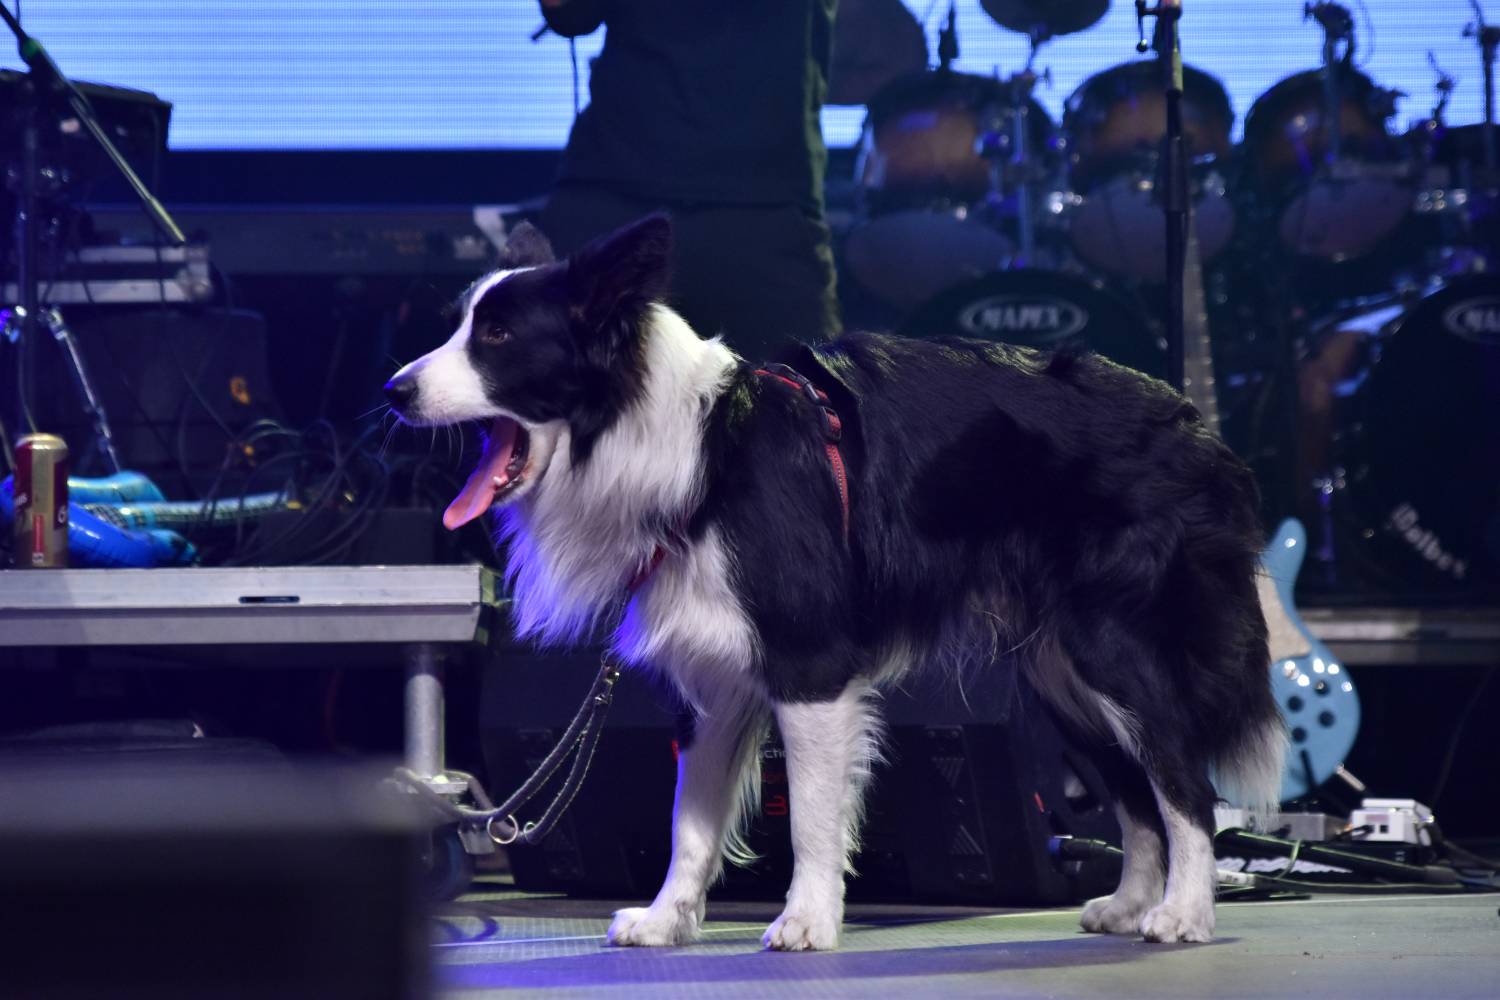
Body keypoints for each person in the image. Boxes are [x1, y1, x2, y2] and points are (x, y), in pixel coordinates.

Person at [536, 0, 841, 358]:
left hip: (761, 201)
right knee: (538, 379)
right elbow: (570, 13)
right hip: (614, 182)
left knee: (806, 395)